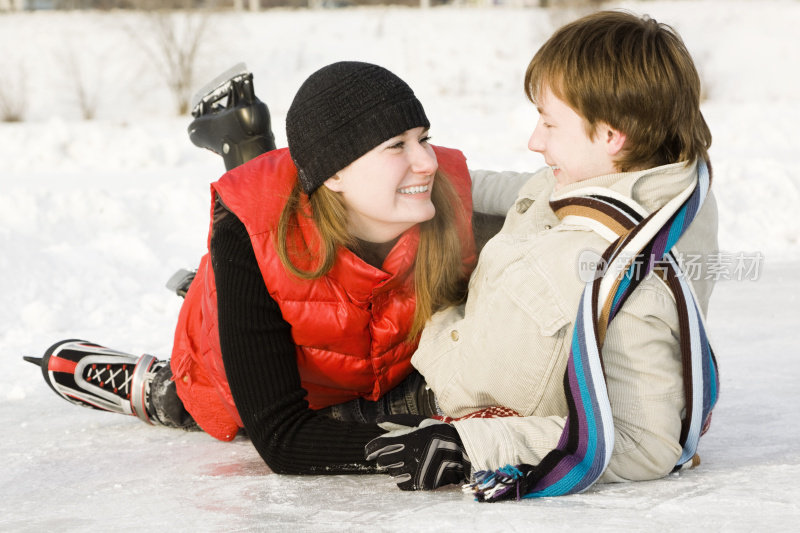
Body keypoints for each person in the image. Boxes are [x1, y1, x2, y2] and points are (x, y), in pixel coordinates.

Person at [25, 61, 525, 475]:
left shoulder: (441, 202)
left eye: (424, 138)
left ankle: (244, 145)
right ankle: (157, 388)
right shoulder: (249, 237)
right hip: (245, 369)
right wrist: (424, 447)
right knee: (209, 397)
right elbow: (282, 438)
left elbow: (549, 199)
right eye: (397, 146)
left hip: (367, 368)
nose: (427, 161)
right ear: (334, 174)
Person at [366, 11, 720, 499]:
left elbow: (644, 442)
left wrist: (475, 444)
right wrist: (427, 180)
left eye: (549, 123)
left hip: (447, 394)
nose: (535, 141)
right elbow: (527, 195)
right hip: (458, 332)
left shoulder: (632, 270)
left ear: (613, 133)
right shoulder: (636, 175)